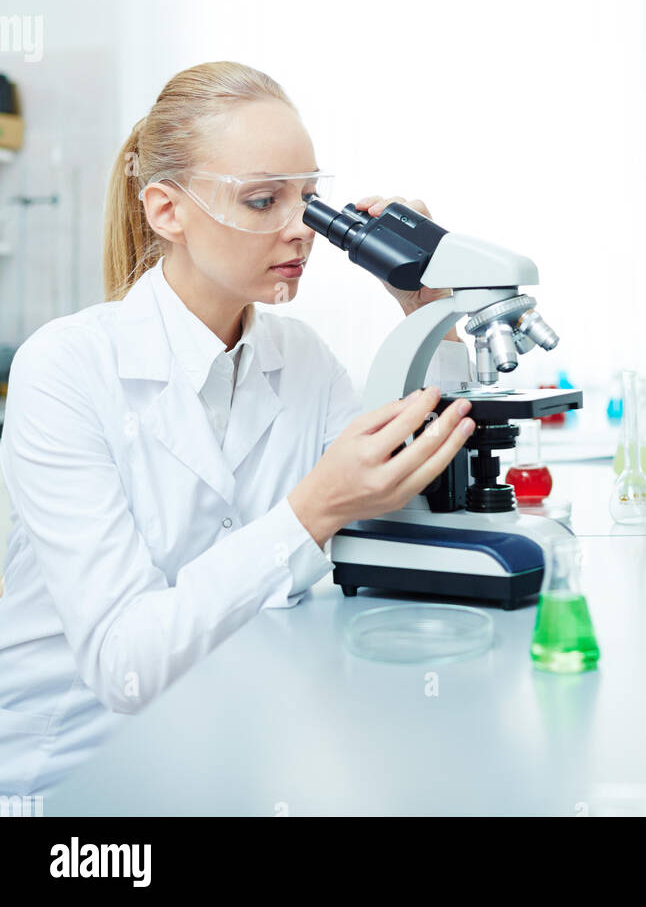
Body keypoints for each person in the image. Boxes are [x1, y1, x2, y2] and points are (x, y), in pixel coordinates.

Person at [0, 61, 475, 799]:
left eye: (309, 200)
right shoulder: (65, 369)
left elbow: (408, 507)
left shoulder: (303, 359)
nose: (302, 229)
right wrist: (312, 510)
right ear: (167, 211)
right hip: (70, 777)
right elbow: (125, 665)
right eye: (262, 200)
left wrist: (429, 309)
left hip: (230, 752)